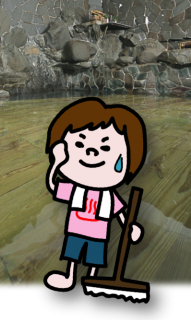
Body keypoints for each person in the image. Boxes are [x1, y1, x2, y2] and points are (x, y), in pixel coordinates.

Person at [44, 97, 147, 291]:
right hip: (75, 230)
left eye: (106, 148)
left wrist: (130, 227)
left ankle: (91, 280)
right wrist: (56, 164)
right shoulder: (76, 189)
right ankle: (69, 277)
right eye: (79, 145)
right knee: (72, 255)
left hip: (98, 234)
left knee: (94, 259)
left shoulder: (108, 196)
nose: (91, 152)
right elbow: (52, 185)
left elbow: (120, 213)